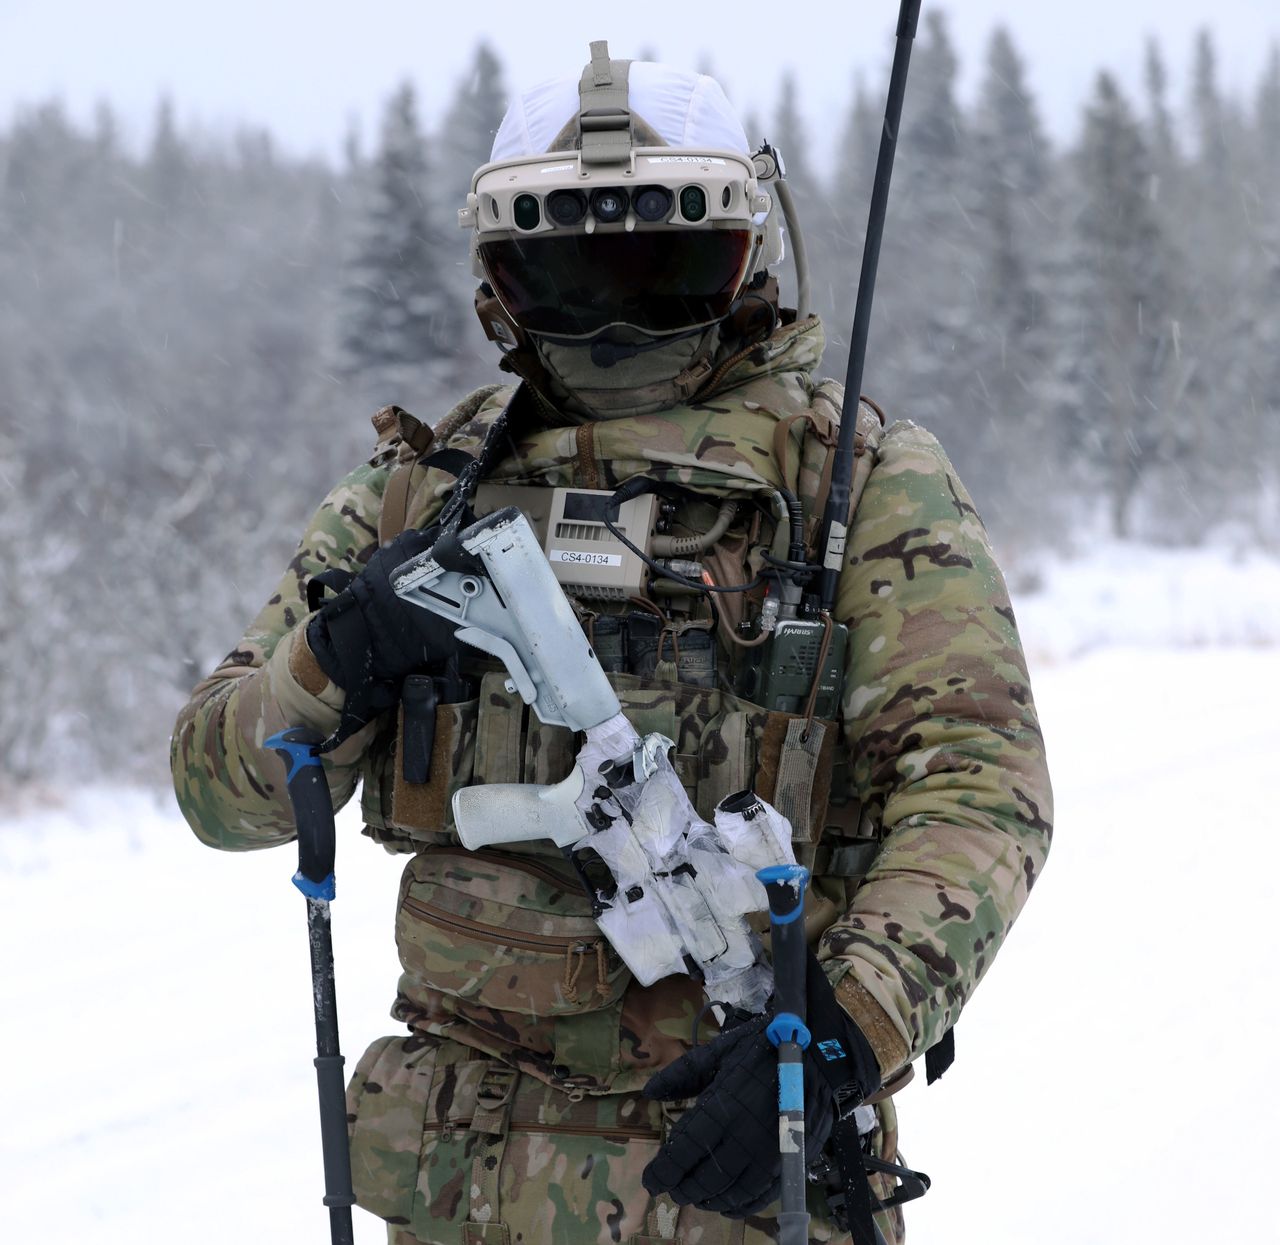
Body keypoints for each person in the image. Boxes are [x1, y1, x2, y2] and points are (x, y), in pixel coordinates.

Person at [172, 43, 1052, 1245]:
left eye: (660, 263)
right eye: (567, 273)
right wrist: (335, 658)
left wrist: (848, 1025)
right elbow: (217, 792)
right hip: (461, 1186)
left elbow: (979, 788)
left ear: (745, 255)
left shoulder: (855, 487)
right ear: (499, 283)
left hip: (742, 1175)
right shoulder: (414, 497)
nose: (613, 314)